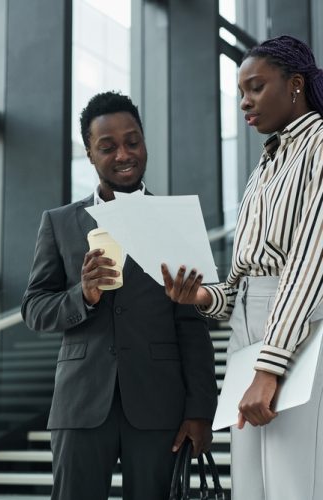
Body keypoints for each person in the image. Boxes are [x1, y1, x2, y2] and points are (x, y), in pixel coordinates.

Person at [21, 91, 217, 500]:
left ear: (144, 142)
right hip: (81, 403)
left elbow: (193, 326)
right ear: (90, 154)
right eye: (107, 147)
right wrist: (83, 296)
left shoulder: (174, 221)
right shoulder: (59, 223)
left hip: (159, 405)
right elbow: (35, 308)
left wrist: (200, 411)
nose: (124, 154)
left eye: (133, 141)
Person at [162, 35, 323, 500]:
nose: (244, 102)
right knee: (251, 486)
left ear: (295, 85)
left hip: (299, 323)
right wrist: (205, 296)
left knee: (296, 481)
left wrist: (270, 368)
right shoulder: (267, 164)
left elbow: (311, 264)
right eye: (239, 92)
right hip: (249, 328)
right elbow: (242, 277)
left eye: (255, 87)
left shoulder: (319, 148)